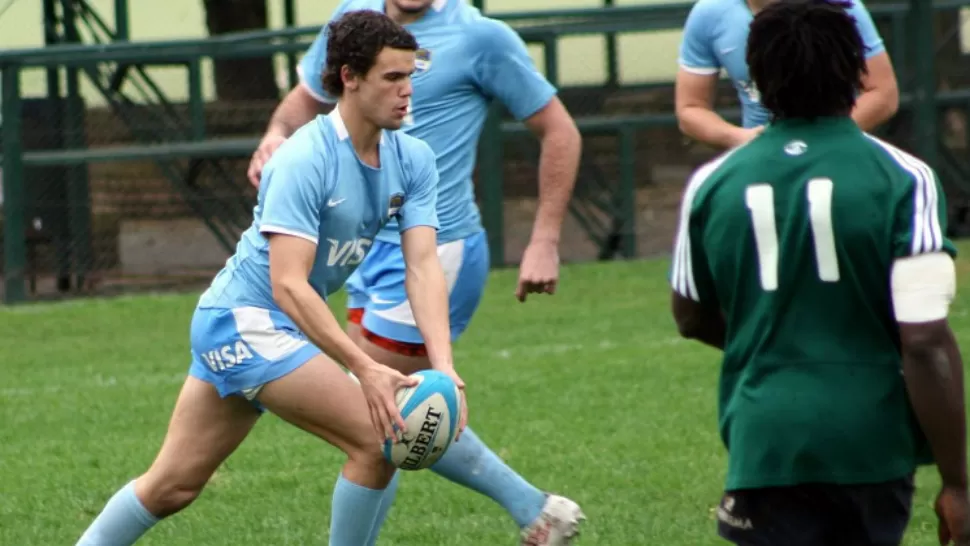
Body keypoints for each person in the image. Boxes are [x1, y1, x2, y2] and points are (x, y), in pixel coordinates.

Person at [75, 11, 466, 546]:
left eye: (409, 77)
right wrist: (364, 368)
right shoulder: (304, 157)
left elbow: (421, 266)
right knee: (379, 439)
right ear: (349, 77)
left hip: (273, 327)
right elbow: (287, 284)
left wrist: (444, 370)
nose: (406, 92)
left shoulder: (414, 158)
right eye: (391, 78)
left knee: (171, 487)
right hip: (242, 321)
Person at [247, 1, 585, 544]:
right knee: (379, 417)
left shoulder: (481, 37)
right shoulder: (357, 21)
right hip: (357, 248)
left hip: (435, 249)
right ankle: (534, 509)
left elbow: (561, 132)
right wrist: (275, 133)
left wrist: (544, 240)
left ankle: (536, 510)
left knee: (378, 413)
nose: (405, 87)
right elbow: (308, 96)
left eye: (411, 75)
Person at [669, 1, 970, 545]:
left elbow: (690, 317)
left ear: (756, 79)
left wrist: (774, 346)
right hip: (870, 438)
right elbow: (924, 337)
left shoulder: (712, 184)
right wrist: (958, 482)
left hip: (763, 439)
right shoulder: (906, 178)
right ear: (857, 71)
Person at [675, 0, 899, 149]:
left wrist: (825, 135)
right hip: (760, 159)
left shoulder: (838, 7)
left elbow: (883, 93)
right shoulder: (710, 14)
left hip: (836, 155)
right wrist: (740, 138)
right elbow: (691, 108)